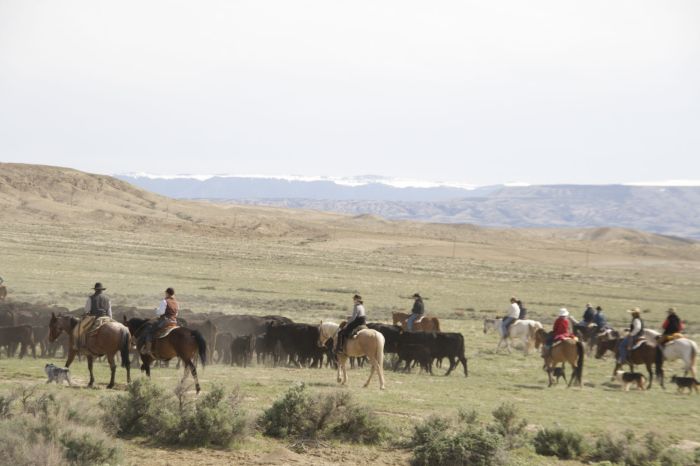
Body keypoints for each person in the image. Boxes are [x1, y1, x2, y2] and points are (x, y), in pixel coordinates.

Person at [139, 287, 179, 355]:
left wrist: (156, 310)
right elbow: (177, 313)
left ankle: (148, 350)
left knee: (150, 331)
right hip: (174, 322)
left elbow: (161, 312)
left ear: (167, 293)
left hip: (165, 321)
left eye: (165, 293)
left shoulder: (164, 301)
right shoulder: (176, 302)